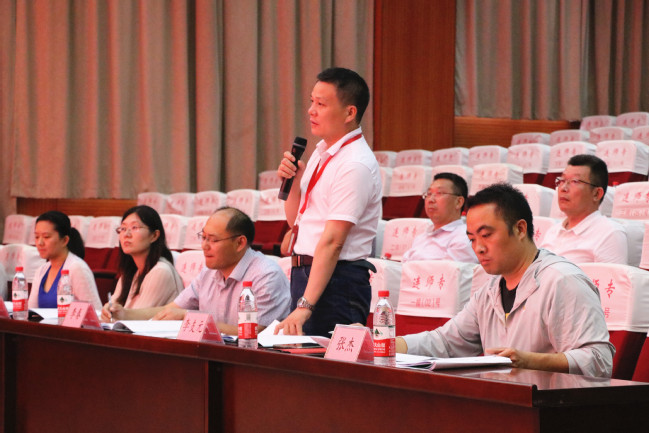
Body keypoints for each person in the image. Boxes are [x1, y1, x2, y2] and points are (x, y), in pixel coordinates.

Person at [396, 183, 614, 378]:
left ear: (520, 229)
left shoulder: (563, 281)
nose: (479, 248)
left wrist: (531, 361)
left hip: (550, 404)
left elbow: (599, 359)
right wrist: (388, 344)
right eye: (472, 239)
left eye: (486, 235)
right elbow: (445, 342)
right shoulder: (489, 290)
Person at [276, 67, 382, 336]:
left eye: (321, 104)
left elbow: (334, 242)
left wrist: (305, 305)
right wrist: (294, 183)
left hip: (337, 282)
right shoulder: (322, 152)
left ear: (350, 112)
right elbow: (296, 221)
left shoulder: (355, 163)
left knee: (329, 359)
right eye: (312, 101)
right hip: (308, 275)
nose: (311, 110)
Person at [102, 207, 290, 335]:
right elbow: (171, 310)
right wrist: (125, 314)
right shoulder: (209, 272)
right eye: (203, 237)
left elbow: (257, 332)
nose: (204, 246)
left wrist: (191, 318)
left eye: (213, 240)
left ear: (240, 243)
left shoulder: (266, 275)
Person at [540, 154, 627, 264]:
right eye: (562, 180)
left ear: (596, 194)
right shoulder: (553, 230)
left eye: (575, 181)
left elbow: (610, 275)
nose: (563, 188)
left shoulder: (610, 233)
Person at [103, 205, 183, 311]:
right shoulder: (130, 272)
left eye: (134, 227)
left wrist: (114, 314)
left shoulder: (160, 271)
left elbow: (137, 318)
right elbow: (112, 306)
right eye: (123, 228)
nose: (126, 234)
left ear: (154, 236)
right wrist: (107, 311)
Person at [29, 211, 101, 309]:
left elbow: (95, 312)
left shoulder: (77, 268)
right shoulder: (41, 271)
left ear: (64, 240)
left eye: (46, 237)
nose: (39, 243)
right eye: (37, 237)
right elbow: (31, 311)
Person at [401, 172, 477, 263]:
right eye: (429, 194)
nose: (431, 200)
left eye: (439, 193)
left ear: (458, 202)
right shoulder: (422, 237)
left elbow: (449, 271)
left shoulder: (465, 237)